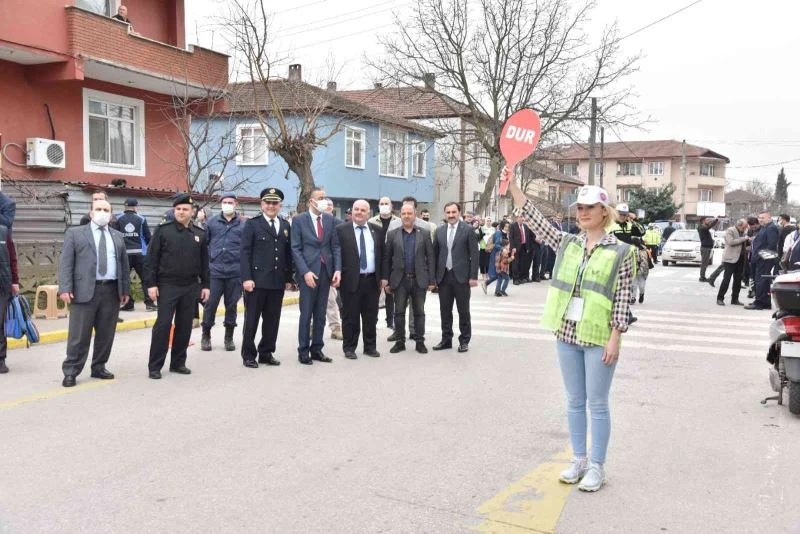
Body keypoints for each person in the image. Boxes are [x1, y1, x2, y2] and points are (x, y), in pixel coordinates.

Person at [506, 174, 635, 492]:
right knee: (575, 401)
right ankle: (578, 460)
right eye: (579, 207)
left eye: (590, 207)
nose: (583, 212)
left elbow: (622, 298)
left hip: (598, 337)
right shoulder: (568, 243)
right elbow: (536, 222)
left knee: (598, 403)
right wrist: (514, 188)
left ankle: (597, 466)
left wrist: (615, 337)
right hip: (567, 334)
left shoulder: (622, 251)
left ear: (604, 211)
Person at [58, 200, 131, 387]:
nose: (102, 212)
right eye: (98, 209)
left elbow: (124, 265)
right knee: (79, 335)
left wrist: (125, 289)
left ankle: (99, 366)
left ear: (111, 215)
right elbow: (66, 263)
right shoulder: (75, 233)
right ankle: (71, 371)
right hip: (83, 290)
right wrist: (65, 288)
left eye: (106, 210)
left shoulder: (117, 236)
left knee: (106, 333)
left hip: (111, 290)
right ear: (91, 212)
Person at [144, 194, 210, 379]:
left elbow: (204, 262)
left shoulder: (199, 233)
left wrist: (206, 285)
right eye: (178, 209)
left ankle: (178, 363)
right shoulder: (163, 231)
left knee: (184, 325)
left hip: (190, 286)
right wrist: (151, 284)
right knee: (163, 325)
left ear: (192, 212)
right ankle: (155, 366)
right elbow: (151, 260)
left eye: (185, 209)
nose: (181, 212)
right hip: (167, 285)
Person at [240, 188, 294, 367]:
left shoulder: (285, 225)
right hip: (256, 281)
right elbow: (245, 253)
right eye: (268, 202)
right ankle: (249, 354)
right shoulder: (252, 224)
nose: (271, 206)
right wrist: (246, 278)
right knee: (252, 320)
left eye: (275, 203)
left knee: (272, 320)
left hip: (277, 281)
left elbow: (287, 254)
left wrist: (288, 278)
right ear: (262, 204)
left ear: (280, 205)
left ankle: (266, 352)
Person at [291, 187, 342, 365]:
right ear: (311, 201)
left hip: (326, 272)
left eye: (325, 197)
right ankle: (303, 350)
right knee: (306, 314)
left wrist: (337, 269)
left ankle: (317, 349)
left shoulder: (329, 220)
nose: (324, 201)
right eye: (320, 198)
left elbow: (335, 246)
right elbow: (295, 248)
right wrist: (305, 272)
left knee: (320, 314)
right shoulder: (299, 220)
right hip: (308, 273)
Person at [382, 203, 435, 354]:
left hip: (419, 280)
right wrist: (386, 280)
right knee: (399, 313)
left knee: (419, 313)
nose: (406, 216)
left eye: (409, 213)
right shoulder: (393, 234)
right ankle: (400, 342)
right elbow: (387, 259)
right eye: (404, 213)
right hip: (399, 281)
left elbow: (431, 257)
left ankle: (420, 341)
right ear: (400, 215)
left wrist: (432, 280)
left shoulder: (424, 233)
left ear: (415, 215)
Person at [334, 200, 383, 359]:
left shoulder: (377, 230)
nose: (359, 212)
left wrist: (384, 277)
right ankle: (349, 348)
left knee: (371, 316)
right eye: (356, 209)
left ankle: (370, 347)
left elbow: (383, 255)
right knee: (350, 317)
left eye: (363, 210)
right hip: (350, 280)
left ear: (368, 213)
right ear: (352, 212)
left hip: (372, 281)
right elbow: (336, 254)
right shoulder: (341, 230)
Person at [433, 202, 479, 353]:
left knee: (463, 311)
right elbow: (434, 255)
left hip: (462, 277)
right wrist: (433, 278)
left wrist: (473, 276)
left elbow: (474, 254)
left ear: (459, 212)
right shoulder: (439, 231)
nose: (451, 215)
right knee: (445, 311)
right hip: (444, 277)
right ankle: (446, 340)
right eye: (448, 212)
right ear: (445, 214)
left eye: (454, 212)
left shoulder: (468, 230)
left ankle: (464, 341)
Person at [201, 192, 244, 352]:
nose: (227, 205)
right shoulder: (211, 223)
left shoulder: (243, 224)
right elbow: (204, 246)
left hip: (235, 272)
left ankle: (229, 337)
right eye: (224, 202)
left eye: (230, 202)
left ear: (236, 204)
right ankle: (206, 335)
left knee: (231, 306)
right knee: (210, 305)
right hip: (215, 272)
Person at [116, 198, 155, 312]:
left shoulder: (117, 218)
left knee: (125, 279)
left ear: (125, 207)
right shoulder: (141, 219)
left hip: (124, 254)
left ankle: (128, 304)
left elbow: (115, 236)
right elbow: (148, 237)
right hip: (140, 254)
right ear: (135, 207)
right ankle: (149, 304)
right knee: (145, 278)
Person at [368, 197, 398, 330]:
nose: (384, 205)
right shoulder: (371, 221)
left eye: (387, 203)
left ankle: (390, 321)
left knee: (390, 292)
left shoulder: (398, 221)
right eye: (382, 203)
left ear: (391, 206)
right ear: (378, 206)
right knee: (375, 292)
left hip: (393, 260)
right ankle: (373, 320)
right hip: (377, 260)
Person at [746, 210, 779, 310]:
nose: (760, 220)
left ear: (769, 217)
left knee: (760, 281)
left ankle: (759, 303)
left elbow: (771, 245)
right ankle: (765, 302)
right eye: (759, 218)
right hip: (762, 259)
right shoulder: (765, 227)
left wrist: (760, 256)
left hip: (765, 259)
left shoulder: (771, 228)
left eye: (763, 218)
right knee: (763, 281)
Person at [0, 226, 21, 374]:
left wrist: (15, 282)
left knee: (0, 323)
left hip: (2, 285)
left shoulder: (3, 232)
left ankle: (1, 360)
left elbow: (12, 258)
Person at [716, 219, 749, 306]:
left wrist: (748, 241)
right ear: (739, 225)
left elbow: (744, 244)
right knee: (726, 279)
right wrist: (744, 239)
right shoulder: (730, 230)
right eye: (744, 227)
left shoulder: (744, 233)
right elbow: (731, 242)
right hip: (730, 259)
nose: (745, 229)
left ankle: (735, 299)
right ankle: (720, 298)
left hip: (741, 259)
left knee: (738, 280)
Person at [324, 203, 344, 341]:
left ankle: (336, 328)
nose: (327, 206)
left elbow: (340, 248)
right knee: (310, 302)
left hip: (330, 268)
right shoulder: (310, 222)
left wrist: (338, 268)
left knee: (331, 300)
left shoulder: (339, 224)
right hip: (312, 269)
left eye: (329, 205)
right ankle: (311, 327)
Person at [482, 220, 508, 294]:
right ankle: (496, 290)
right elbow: (496, 244)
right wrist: (503, 249)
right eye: (506, 226)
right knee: (498, 273)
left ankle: (490, 286)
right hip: (496, 255)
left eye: (508, 226)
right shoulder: (498, 233)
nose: (507, 228)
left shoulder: (505, 233)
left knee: (499, 273)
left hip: (501, 255)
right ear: (502, 226)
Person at [509, 214, 534, 284]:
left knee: (522, 263)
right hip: (516, 247)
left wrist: (527, 247)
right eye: (520, 217)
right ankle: (515, 279)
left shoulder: (525, 226)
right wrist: (513, 247)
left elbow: (527, 237)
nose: (522, 219)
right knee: (515, 263)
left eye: (523, 217)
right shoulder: (513, 226)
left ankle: (520, 278)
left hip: (524, 247)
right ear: (517, 218)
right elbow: (511, 237)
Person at [697, 217, 718, 282]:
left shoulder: (704, 227)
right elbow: (709, 227)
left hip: (707, 248)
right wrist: (716, 220)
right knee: (704, 264)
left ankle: (703, 277)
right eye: (707, 220)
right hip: (705, 248)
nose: (709, 221)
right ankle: (702, 277)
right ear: (703, 221)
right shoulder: (701, 227)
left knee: (705, 264)